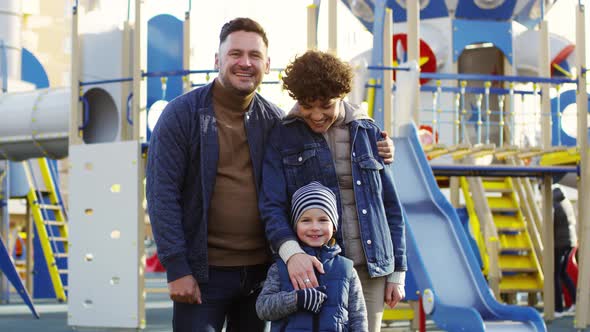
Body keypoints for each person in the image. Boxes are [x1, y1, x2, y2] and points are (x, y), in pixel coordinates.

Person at [146, 18, 394, 331]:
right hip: (202, 272)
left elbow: (330, 136)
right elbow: (161, 194)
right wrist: (177, 266)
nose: (245, 63)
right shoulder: (181, 115)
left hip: (262, 273)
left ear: (267, 64)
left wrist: (378, 141)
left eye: (254, 56)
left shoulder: (275, 121)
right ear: (217, 60)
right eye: (235, 54)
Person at [260, 50, 407, 332]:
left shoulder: (369, 133)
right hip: (312, 264)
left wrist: (397, 271)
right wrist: (292, 254)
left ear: (341, 95)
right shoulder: (283, 136)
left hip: (371, 267)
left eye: (325, 105)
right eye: (307, 105)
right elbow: (271, 205)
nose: (316, 115)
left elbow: (389, 207)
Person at [256, 182, 368, 331]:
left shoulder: (346, 268)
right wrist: (296, 299)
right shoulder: (280, 267)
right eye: (306, 220)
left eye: (323, 220)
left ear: (334, 226)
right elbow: (263, 308)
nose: (315, 227)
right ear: (295, 226)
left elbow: (358, 318)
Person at [553, 185, 577, 317]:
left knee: (555, 274)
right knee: (563, 273)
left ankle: (557, 308)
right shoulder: (566, 203)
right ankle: (574, 301)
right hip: (570, 242)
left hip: (559, 243)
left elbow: (553, 225)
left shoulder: (556, 206)